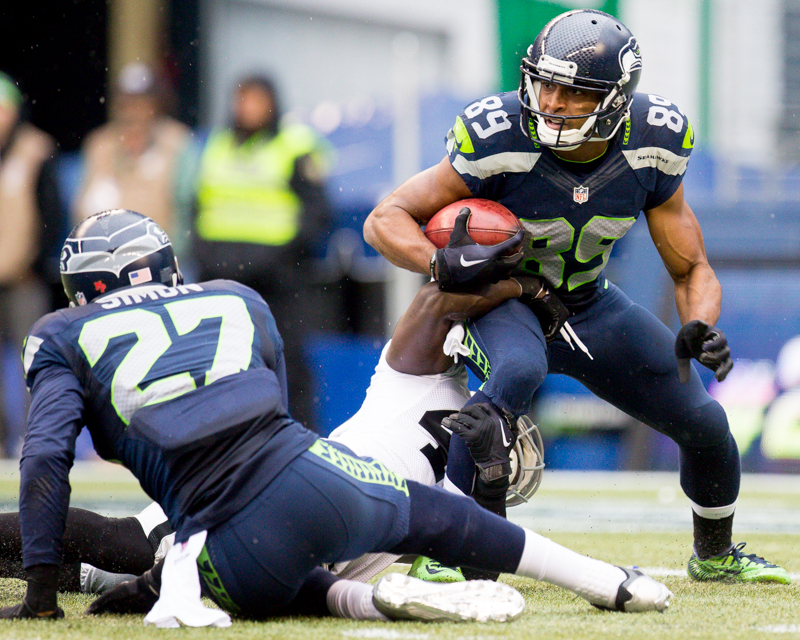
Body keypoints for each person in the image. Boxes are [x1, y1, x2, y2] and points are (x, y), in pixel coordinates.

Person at [0, 208, 672, 622]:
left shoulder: (78, 330)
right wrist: (525, 285)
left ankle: (363, 599)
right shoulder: (419, 381)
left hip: (275, 491)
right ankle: (596, 581)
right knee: (156, 555)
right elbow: (469, 541)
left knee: (147, 549)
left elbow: (473, 565)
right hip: (334, 498)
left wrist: (490, 479)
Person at [362, 9, 790, 584]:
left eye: (574, 91)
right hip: (502, 300)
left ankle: (714, 555)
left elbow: (692, 269)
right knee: (513, 374)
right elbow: (384, 218)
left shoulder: (654, 142)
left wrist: (699, 325)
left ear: (615, 102)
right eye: (545, 84)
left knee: (706, 422)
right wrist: (437, 262)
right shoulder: (497, 136)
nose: (552, 101)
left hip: (587, 304)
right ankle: (448, 552)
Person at [189, 74, 333, 432]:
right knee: (218, 365)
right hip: (221, 276)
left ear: (272, 103)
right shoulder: (217, 145)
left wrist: (278, 257)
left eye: (256, 100)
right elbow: (198, 206)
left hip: (278, 281)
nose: (248, 108)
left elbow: (317, 213)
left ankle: (301, 437)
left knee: (287, 364)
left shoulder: (295, 144)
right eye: (242, 99)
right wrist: (205, 254)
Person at [0, 70, 66, 457]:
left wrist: (36, 262)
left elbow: (50, 214)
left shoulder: (35, 150)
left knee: (33, 363)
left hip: (24, 278)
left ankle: (34, 439)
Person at [73, 62, 191, 246]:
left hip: (158, 252)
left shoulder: (176, 142)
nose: (132, 111)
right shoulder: (101, 144)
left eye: (141, 103)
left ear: (156, 104)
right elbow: (82, 209)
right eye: (125, 103)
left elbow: (184, 210)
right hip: (108, 251)